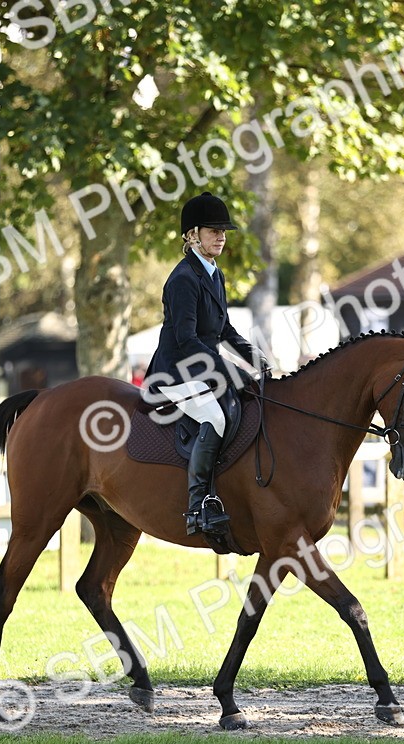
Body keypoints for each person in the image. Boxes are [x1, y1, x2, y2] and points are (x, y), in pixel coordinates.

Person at [145, 192, 268, 539]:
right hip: (176, 371)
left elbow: (224, 329)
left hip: (203, 366)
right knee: (214, 416)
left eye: (223, 231)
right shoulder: (183, 279)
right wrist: (230, 371)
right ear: (192, 235)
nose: (221, 237)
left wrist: (258, 362)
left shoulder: (215, 274)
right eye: (213, 231)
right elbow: (187, 340)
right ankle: (197, 503)